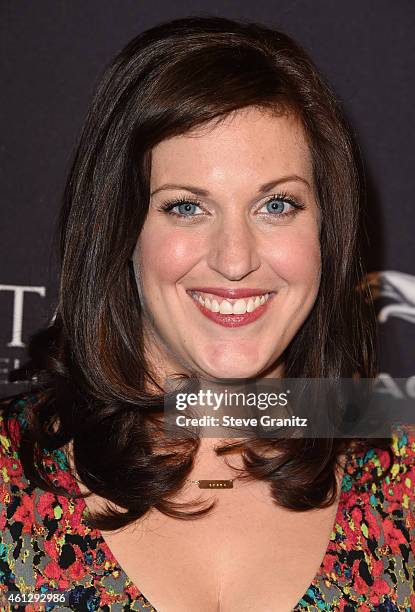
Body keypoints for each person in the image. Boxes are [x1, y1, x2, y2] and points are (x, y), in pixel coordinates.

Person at [1, 15, 414, 612]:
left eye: (276, 204)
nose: (235, 259)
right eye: (187, 207)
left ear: (327, 230)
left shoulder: (400, 479)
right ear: (121, 230)